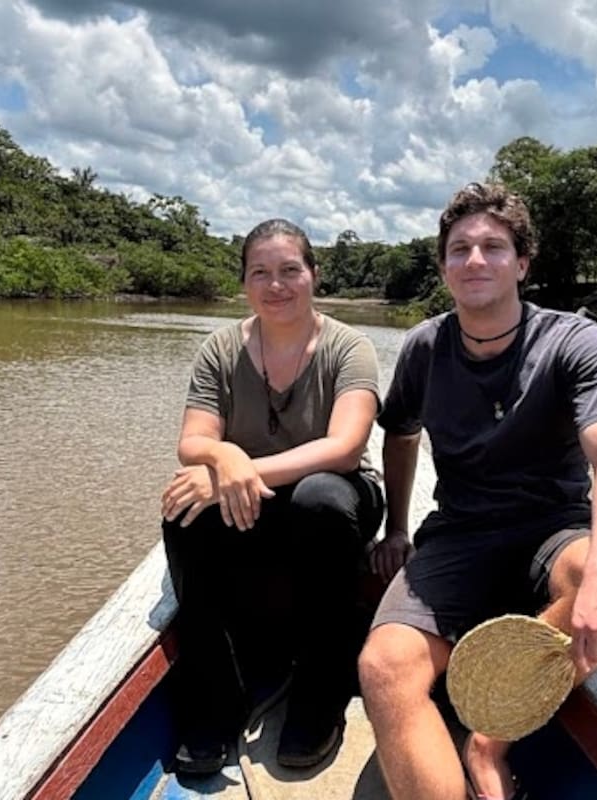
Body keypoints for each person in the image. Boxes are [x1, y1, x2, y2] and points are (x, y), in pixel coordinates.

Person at [358, 183, 597, 800]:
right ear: (443, 268)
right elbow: (400, 433)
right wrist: (397, 530)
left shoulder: (573, 341)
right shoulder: (425, 346)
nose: (475, 260)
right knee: (384, 666)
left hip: (551, 528)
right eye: (459, 249)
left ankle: (488, 741)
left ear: (522, 263)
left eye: (493, 246)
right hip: (459, 532)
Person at [160, 218, 385, 776]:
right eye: (260, 272)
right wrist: (224, 458)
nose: (275, 285)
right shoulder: (220, 349)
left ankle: (320, 698)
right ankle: (218, 699)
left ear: (314, 275)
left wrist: (242, 466)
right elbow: (193, 441)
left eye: (289, 270)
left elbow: (345, 448)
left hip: (338, 497)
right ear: (243, 282)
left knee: (318, 498)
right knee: (182, 511)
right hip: (254, 498)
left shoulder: (349, 348)